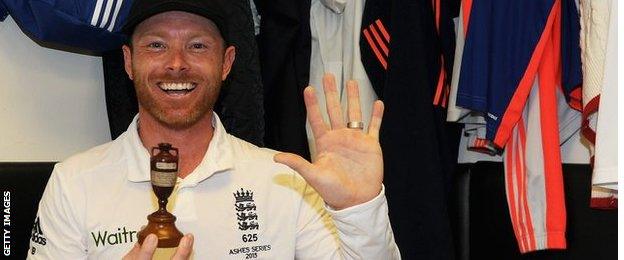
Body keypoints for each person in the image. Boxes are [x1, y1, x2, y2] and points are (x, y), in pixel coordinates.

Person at [27, 0, 400, 259]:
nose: (176, 64)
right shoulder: (74, 182)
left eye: (197, 46)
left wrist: (359, 210)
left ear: (226, 63)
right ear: (129, 61)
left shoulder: (283, 178)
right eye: (156, 45)